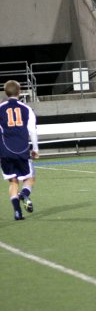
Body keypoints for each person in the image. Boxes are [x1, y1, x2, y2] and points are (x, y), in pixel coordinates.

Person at [0, 80, 39, 221]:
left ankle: (17, 212)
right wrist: (35, 148)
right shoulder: (26, 109)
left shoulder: (0, 108)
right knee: (30, 178)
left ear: (6, 92)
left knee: (13, 182)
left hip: (5, 151)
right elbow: (32, 131)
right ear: (19, 91)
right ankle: (24, 194)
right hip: (22, 150)